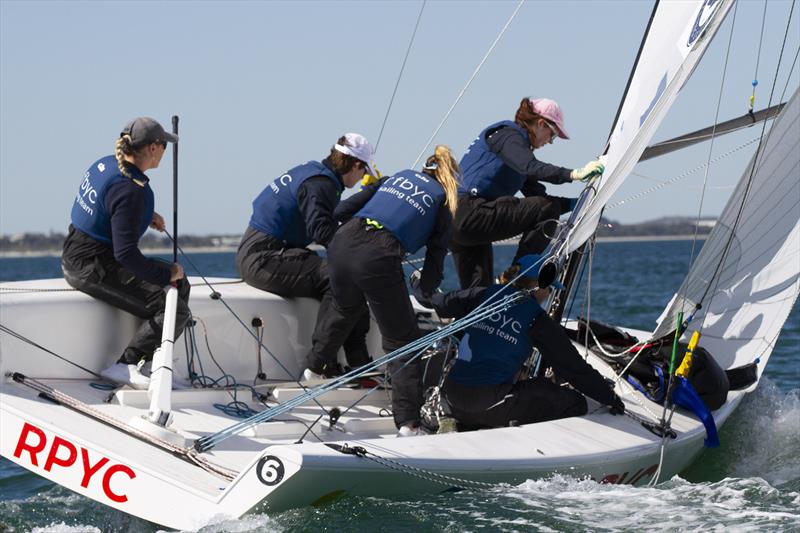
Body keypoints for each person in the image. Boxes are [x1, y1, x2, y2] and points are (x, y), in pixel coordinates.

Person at [318, 145, 461, 436]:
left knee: (344, 306)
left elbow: (341, 210)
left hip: (342, 243)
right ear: (450, 178)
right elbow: (435, 260)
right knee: (402, 340)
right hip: (378, 255)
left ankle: (313, 368)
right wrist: (424, 291)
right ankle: (408, 424)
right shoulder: (442, 203)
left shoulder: (394, 178)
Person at [419, 254, 624, 429]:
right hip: (487, 406)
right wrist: (609, 397)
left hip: (451, 397)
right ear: (538, 286)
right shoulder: (536, 318)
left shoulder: (484, 293)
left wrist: (418, 285)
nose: (549, 294)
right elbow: (573, 367)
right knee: (574, 402)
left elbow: (441, 303)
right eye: (550, 288)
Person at [61, 117, 190, 389]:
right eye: (164, 145)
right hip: (91, 266)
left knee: (181, 284)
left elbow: (108, 205)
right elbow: (126, 256)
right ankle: (126, 364)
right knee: (175, 306)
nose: (165, 151)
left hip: (77, 251)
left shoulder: (108, 164)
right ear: (153, 148)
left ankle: (158, 364)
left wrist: (144, 215)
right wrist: (166, 272)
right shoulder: (133, 190)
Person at [236, 133, 376, 378]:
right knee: (343, 279)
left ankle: (357, 364)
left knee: (346, 276)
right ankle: (321, 366)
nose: (363, 177)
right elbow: (322, 231)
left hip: (259, 251)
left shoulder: (313, 172)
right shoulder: (321, 185)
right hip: (263, 258)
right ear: (356, 165)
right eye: (364, 171)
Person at [451, 97, 605, 288]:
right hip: (469, 213)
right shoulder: (509, 136)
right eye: (552, 134)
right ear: (541, 123)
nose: (550, 142)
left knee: (478, 294)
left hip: (458, 221)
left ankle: (477, 311)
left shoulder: (518, 155)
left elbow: (541, 199)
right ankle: (520, 275)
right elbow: (532, 171)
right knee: (547, 208)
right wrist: (573, 174)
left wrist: (578, 204)